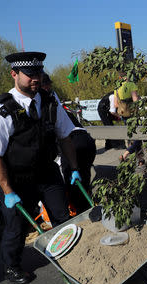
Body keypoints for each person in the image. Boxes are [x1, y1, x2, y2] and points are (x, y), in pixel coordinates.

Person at [0, 52, 81, 284]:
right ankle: (11, 266)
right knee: (16, 227)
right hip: (16, 179)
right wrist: (7, 190)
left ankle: (69, 258)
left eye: (39, 73)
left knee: (63, 217)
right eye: (30, 74)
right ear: (14, 74)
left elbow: (65, 138)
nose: (36, 78)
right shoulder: (0, 111)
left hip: (46, 172)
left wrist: (74, 168)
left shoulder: (50, 102)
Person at [41, 73, 96, 213]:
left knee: (72, 181)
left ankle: (80, 212)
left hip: (73, 141)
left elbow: (59, 135)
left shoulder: (47, 104)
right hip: (87, 141)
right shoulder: (54, 101)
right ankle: (88, 210)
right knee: (83, 179)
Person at [114, 77, 142, 163]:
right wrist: (139, 99)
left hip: (123, 114)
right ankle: (125, 154)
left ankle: (140, 159)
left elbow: (115, 104)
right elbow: (135, 101)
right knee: (139, 136)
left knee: (131, 136)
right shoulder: (131, 85)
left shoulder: (117, 87)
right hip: (132, 114)